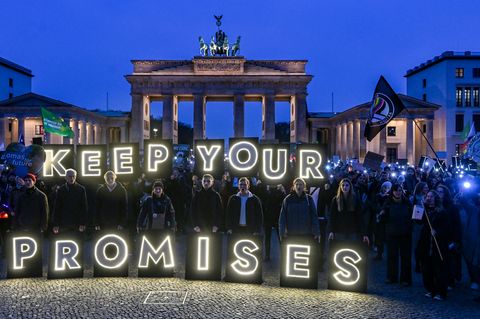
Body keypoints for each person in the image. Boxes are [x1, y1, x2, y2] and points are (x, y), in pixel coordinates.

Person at [418, 190, 449, 301]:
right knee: (427, 269)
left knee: (439, 270)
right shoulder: (424, 210)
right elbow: (418, 221)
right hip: (426, 244)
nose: (429, 198)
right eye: (428, 196)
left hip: (438, 245)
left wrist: (438, 232)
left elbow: (447, 229)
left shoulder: (442, 212)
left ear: (436, 198)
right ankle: (431, 289)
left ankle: (441, 292)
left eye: (431, 196)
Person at [379, 183, 413, 286]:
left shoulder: (407, 203)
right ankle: (391, 277)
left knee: (405, 257)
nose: (398, 192)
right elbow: (383, 219)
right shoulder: (388, 203)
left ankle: (405, 278)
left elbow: (412, 217)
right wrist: (382, 215)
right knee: (392, 256)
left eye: (399, 190)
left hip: (405, 234)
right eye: (396, 190)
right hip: (392, 233)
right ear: (392, 191)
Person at [328, 178, 369, 245]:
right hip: (339, 230)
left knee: (351, 250)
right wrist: (331, 231)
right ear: (340, 187)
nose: (345, 187)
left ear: (350, 187)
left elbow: (360, 217)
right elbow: (332, 216)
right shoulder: (336, 199)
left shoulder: (355, 199)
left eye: (347, 185)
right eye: (343, 185)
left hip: (352, 231)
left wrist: (364, 233)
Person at [279, 178, 320, 242]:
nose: (298, 186)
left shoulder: (309, 199)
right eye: (297, 184)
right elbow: (282, 216)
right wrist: (282, 232)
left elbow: (314, 216)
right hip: (291, 234)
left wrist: (316, 232)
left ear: (304, 186)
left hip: (306, 234)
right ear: (293, 187)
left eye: (300, 184)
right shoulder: (288, 199)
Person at [52, 169, 88, 234]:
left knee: (77, 241)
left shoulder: (81, 189)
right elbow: (57, 207)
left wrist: (83, 223)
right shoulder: (61, 190)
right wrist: (56, 224)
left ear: (76, 177)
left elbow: (84, 207)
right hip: (64, 222)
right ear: (65, 177)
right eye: (69, 176)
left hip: (77, 222)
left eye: (73, 176)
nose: (72, 178)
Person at [264, 184, 285, 261]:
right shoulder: (279, 191)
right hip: (275, 216)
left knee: (268, 237)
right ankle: (283, 254)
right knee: (279, 237)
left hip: (270, 216)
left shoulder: (267, 191)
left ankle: (267, 255)